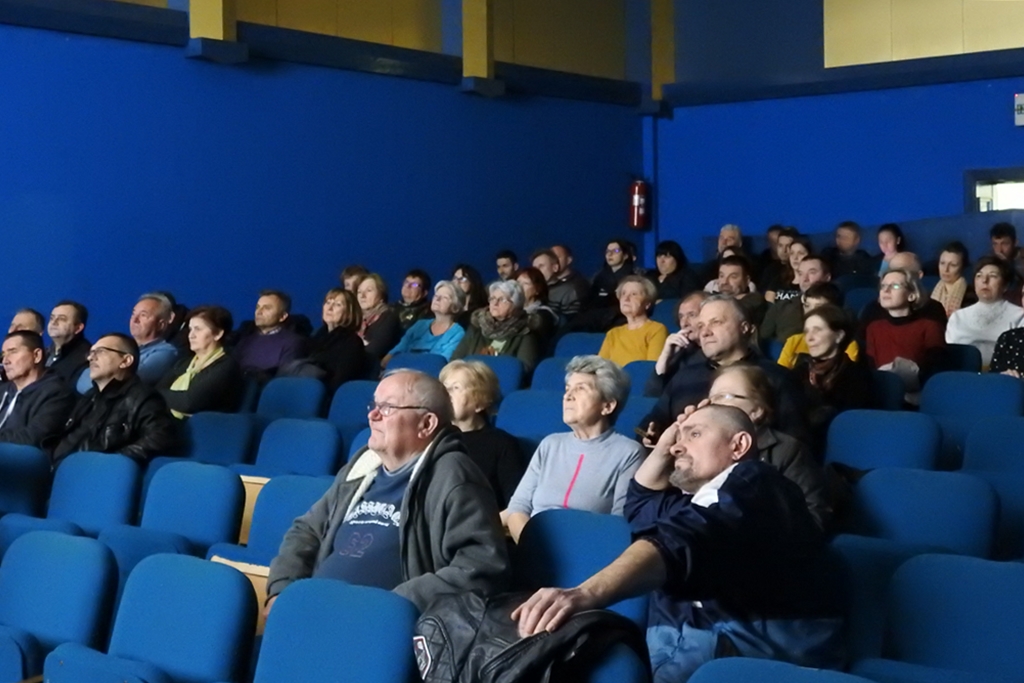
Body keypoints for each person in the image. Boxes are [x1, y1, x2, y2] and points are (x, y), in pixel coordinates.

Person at [512, 405, 844, 682]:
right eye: (678, 438)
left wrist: (586, 593)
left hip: (752, 657)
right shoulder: (694, 500)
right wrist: (667, 444)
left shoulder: (756, 482)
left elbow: (679, 541)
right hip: (692, 650)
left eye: (695, 434)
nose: (676, 447)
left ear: (739, 445)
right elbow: (640, 505)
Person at [265, 370, 510, 613]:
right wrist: (281, 588)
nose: (372, 415)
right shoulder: (362, 465)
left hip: (383, 625)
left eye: (387, 408)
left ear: (426, 424)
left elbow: (481, 564)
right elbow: (307, 529)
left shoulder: (454, 474)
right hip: (314, 610)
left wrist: (392, 607)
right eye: (374, 405)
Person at [502, 355, 644, 542]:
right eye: (568, 388)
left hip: (588, 550)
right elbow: (518, 508)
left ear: (608, 406)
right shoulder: (550, 444)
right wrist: (534, 547)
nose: (567, 396)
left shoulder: (629, 453)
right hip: (531, 545)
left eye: (580, 389)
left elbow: (617, 525)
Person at [641, 295, 807, 443]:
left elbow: (795, 441)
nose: (705, 332)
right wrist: (652, 436)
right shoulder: (684, 377)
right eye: (701, 326)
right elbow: (651, 425)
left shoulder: (776, 377)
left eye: (716, 322)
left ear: (744, 328)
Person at [705, 364, 831, 530]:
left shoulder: (787, 451)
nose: (713, 406)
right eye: (711, 399)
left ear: (757, 410)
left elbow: (815, 516)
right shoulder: (700, 448)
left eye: (724, 396)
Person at [50, 333, 178, 467]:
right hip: (61, 469)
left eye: (100, 351)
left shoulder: (143, 398)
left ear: (126, 361)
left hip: (95, 473)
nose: (90, 358)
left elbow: (160, 439)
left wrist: (109, 462)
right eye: (91, 352)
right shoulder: (89, 397)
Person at [440, 360, 525, 508]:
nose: (446, 394)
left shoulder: (502, 444)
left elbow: (515, 506)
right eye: (444, 387)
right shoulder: (433, 438)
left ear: (480, 402)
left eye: (456, 388)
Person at [790, 304, 873, 451]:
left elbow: (850, 424)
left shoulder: (857, 375)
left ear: (839, 336)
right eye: (806, 331)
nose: (809, 338)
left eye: (817, 330)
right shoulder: (800, 371)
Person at [76, 293, 179, 394]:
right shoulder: (120, 346)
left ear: (161, 325)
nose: (135, 320)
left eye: (143, 315)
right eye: (133, 314)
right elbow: (81, 382)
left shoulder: (166, 352)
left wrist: (100, 379)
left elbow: (126, 380)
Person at [865, 269, 944, 398]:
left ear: (911, 295)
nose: (886, 290)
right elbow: (870, 368)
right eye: (883, 286)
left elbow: (934, 370)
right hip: (881, 394)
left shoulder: (930, 327)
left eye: (895, 286)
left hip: (918, 395)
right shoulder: (874, 327)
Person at [158, 306, 243, 417]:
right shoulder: (185, 363)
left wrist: (160, 395)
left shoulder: (226, 366)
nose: (191, 335)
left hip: (199, 425)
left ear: (218, 334)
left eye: (197, 329)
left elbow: (189, 402)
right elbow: (157, 389)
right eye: (190, 329)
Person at [0, 331, 77, 448]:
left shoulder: (57, 394)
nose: (5, 361)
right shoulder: (3, 389)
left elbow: (33, 437)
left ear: (36, 356)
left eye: (13, 352)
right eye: (3, 354)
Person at [946, 256, 1024, 368]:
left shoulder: (1019, 315)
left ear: (1005, 285)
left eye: (993, 276)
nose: (984, 281)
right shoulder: (958, 317)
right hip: (963, 374)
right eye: (979, 276)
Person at [451, 280, 541, 374]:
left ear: (516, 305)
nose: (495, 303)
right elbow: (455, 360)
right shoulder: (477, 326)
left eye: (502, 299)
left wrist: (493, 362)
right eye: (492, 298)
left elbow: (523, 370)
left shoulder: (526, 332)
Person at [286, 288, 367, 391]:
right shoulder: (317, 335)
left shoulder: (352, 342)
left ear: (349, 313)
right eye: (328, 302)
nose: (330, 308)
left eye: (337, 304)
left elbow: (340, 382)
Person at [776, 283, 860, 369]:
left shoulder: (849, 346)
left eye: (819, 307)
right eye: (807, 305)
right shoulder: (794, 341)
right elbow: (780, 374)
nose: (810, 311)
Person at [384, 280, 467, 364]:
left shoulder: (458, 333)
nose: (437, 299)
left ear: (456, 307)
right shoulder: (420, 325)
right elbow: (397, 350)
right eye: (436, 295)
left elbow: (440, 363)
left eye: (445, 297)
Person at [233, 290, 306, 383]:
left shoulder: (292, 342)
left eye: (267, 308)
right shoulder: (245, 341)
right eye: (257, 307)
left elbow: (284, 380)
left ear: (282, 316)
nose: (259, 312)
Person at [598, 275, 669, 367]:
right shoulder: (613, 334)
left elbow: (651, 368)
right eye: (623, 294)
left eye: (634, 294)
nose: (626, 298)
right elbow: (599, 367)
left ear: (647, 304)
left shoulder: (656, 330)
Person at [645, 292, 707, 397]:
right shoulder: (682, 351)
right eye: (681, 317)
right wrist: (665, 356)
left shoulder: (717, 352)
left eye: (692, 315)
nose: (684, 323)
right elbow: (652, 394)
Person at [760, 255, 832, 343]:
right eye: (800, 274)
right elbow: (764, 339)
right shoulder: (781, 307)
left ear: (827, 277)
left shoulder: (839, 307)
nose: (805, 279)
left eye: (812, 273)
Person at [357, 274, 403, 364]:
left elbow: (373, 351)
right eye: (359, 292)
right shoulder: (355, 318)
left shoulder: (389, 318)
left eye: (369, 290)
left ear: (381, 295)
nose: (362, 296)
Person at [45, 301, 91, 388]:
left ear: (78, 328)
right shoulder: (44, 353)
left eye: (62, 319)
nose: (54, 322)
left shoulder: (86, 358)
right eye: (52, 318)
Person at [716, 255, 767, 326]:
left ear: (746, 280)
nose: (724, 282)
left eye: (733, 277)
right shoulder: (713, 297)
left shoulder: (754, 301)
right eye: (722, 276)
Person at [590, 239, 638, 309]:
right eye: (607, 251)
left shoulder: (633, 279)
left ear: (625, 256)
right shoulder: (599, 277)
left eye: (616, 251)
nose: (610, 254)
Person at [532, 249, 580, 320]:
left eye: (541, 266)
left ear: (555, 268)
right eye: (534, 268)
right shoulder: (532, 290)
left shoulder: (567, 291)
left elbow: (572, 321)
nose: (537, 271)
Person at [931, 241, 975, 317]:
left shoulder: (971, 295)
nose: (946, 269)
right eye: (942, 263)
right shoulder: (931, 294)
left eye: (953, 265)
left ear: (963, 267)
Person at [515, 267, 559, 344]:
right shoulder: (512, 310)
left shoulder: (543, 315)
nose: (519, 287)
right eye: (518, 282)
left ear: (537, 289)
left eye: (525, 283)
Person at [765, 235, 810, 304]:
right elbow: (768, 303)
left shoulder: (811, 282)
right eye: (792, 253)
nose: (795, 257)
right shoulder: (779, 279)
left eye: (800, 253)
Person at [550, 243, 591, 313]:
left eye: (557, 257)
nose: (553, 261)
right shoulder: (545, 283)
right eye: (551, 258)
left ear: (569, 260)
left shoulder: (579, 285)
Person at [990, 222, 1024, 305]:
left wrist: (1007, 265)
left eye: (1004, 244)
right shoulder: (990, 260)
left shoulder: (1022, 258)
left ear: (1015, 243)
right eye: (995, 244)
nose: (999, 250)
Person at [757, 227, 796, 293]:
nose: (784, 250)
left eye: (788, 246)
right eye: (780, 245)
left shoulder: (800, 269)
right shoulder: (770, 270)